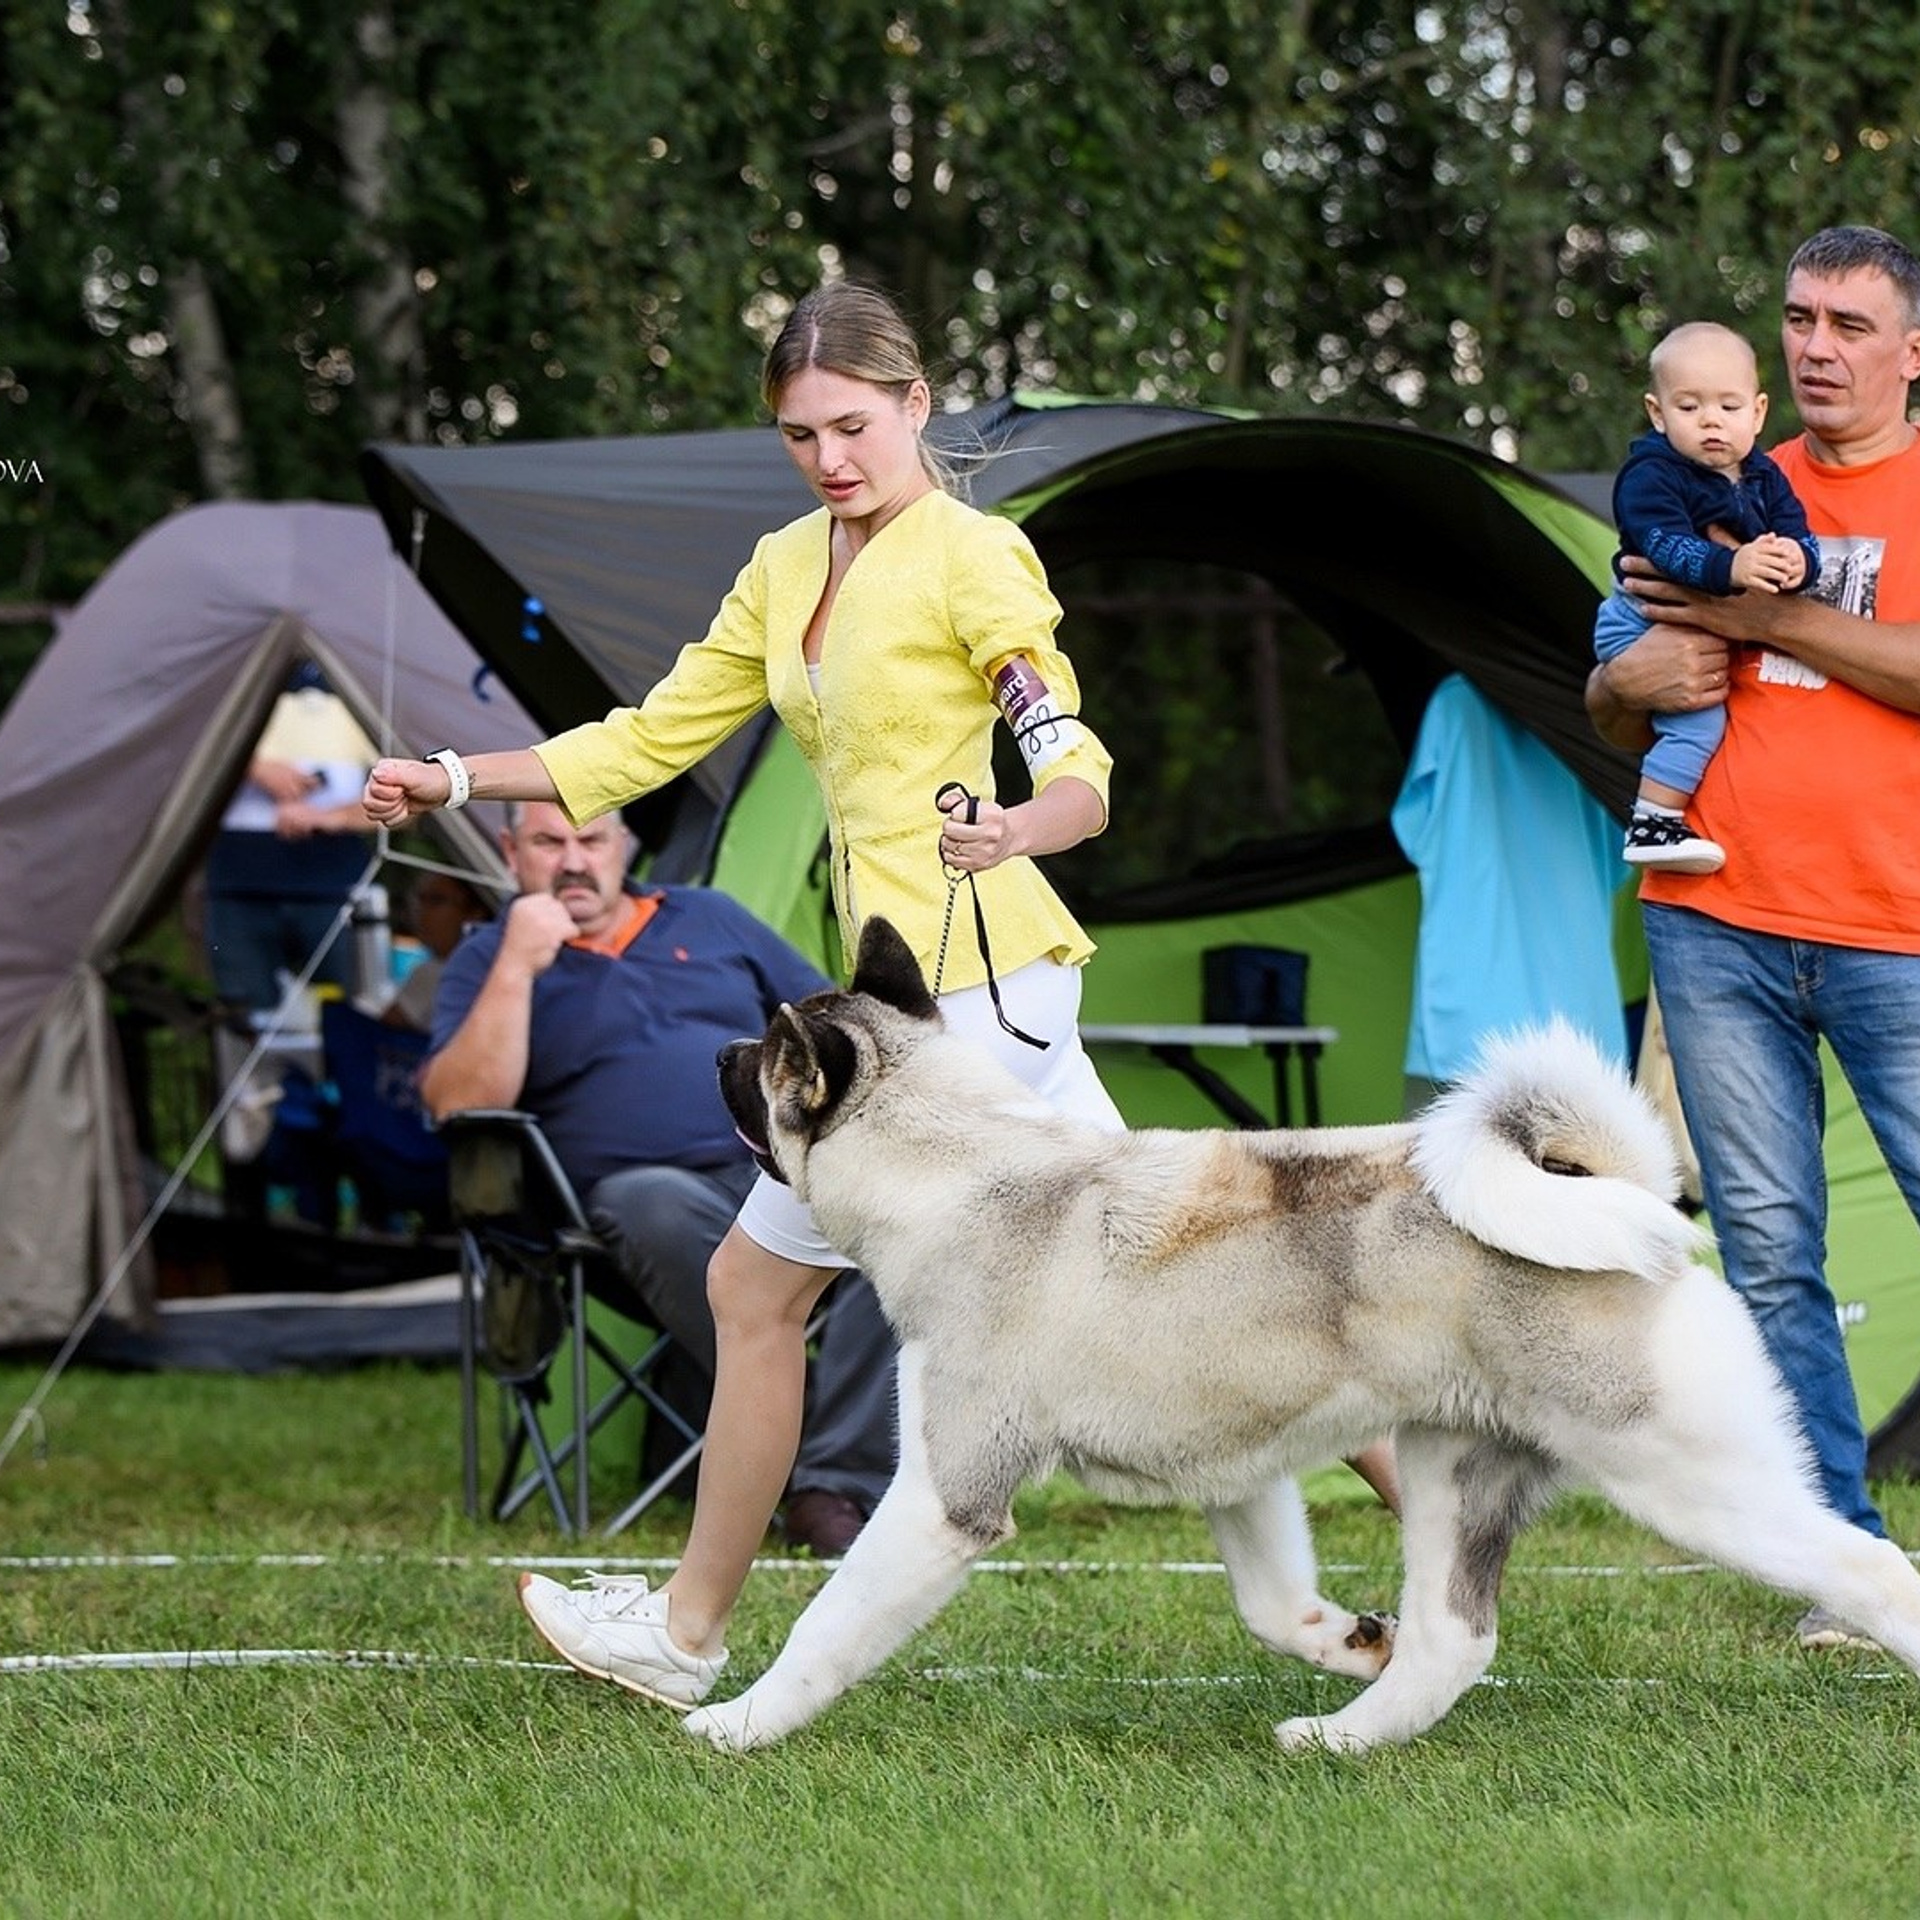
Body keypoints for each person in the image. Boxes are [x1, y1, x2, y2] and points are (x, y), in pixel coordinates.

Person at [364, 281, 1142, 1711]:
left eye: (855, 425)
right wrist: (462, 780)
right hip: (924, 998)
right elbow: (650, 737)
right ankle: (1404, 1539)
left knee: (754, 1283)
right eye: (800, 436)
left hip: (974, 994)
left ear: (917, 406)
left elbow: (1062, 734)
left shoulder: (978, 556)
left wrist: (1036, 818)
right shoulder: (787, 566)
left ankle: (687, 1634)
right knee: (1164, 1255)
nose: (832, 459)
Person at [1585, 224, 1920, 1651]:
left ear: (1913, 349)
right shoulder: (1705, 468)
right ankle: (1847, 1570)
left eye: (1851, 322)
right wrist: (1630, 683)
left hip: (1898, 928)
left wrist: (1742, 606)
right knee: (1773, 1251)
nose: (1816, 346)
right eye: (1800, 316)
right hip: (1713, 918)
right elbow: (1624, 696)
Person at [421, 798, 898, 1555]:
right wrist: (517, 965)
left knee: (895, 1225)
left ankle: (831, 1487)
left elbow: (833, 1027)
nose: (574, 860)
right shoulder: (489, 957)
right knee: (653, 1202)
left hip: (774, 1178)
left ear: (625, 847)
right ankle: (800, 1450)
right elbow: (459, 1105)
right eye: (549, 842)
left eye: (591, 839)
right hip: (625, 1215)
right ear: (511, 854)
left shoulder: (708, 917)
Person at [1593, 320, 1822, 875]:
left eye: (1728, 406)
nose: (1712, 421)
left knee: (1701, 711)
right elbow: (1665, 548)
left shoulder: (1764, 475)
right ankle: (1654, 821)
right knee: (1699, 721)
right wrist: (1735, 565)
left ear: (1758, 412)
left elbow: (1798, 532)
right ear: (1657, 413)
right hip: (1639, 620)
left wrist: (1799, 561)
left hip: (1695, 617)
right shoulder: (1651, 475)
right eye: (1690, 408)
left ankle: (1659, 816)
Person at [206, 663, 378, 1015]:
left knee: (350, 1014)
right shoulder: (229, 666)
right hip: (239, 884)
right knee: (245, 1016)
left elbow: (414, 801)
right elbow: (180, 744)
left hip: (335, 885)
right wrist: (251, 766)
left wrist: (326, 817)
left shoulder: (364, 673)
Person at [378, 870, 495, 1032]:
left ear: (475, 914)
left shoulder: (435, 972)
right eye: (420, 900)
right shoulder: (494, 967)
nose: (420, 911)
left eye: (435, 900)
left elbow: (380, 1034)